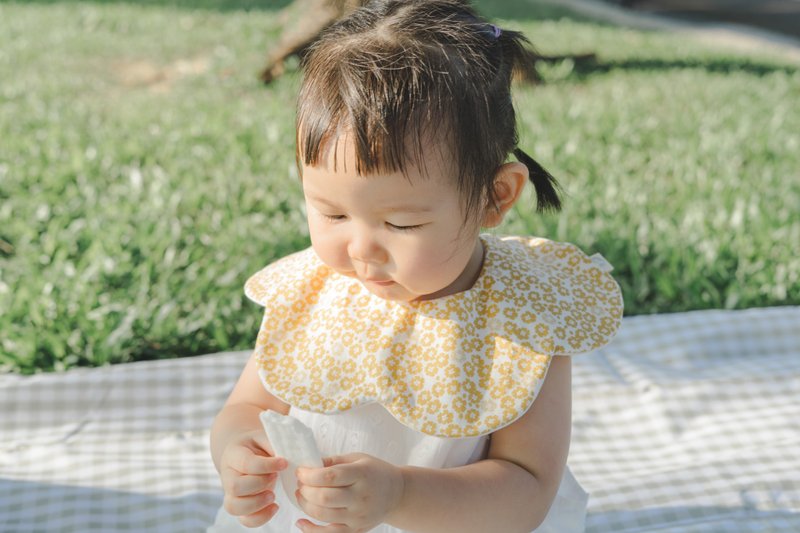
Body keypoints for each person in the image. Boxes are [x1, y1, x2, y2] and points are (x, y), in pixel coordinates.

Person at [208, 1, 623, 531]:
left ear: (495, 197)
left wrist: (399, 494)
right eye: (331, 212)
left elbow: (527, 487)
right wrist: (238, 454)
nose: (360, 249)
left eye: (401, 224)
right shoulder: (310, 290)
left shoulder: (524, 316)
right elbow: (245, 410)